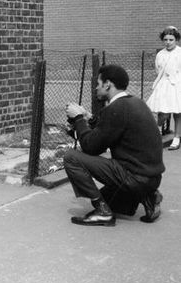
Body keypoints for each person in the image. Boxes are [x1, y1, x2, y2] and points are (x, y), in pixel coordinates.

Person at [64, 65, 165, 226]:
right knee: (110, 199)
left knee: (71, 157)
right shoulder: (136, 102)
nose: (96, 88)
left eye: (98, 83)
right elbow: (111, 130)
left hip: (134, 177)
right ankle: (149, 196)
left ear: (108, 84)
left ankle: (102, 212)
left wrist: (78, 120)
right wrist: (88, 118)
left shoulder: (116, 108)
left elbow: (92, 147)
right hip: (152, 178)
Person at [146, 26, 181, 150]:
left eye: (171, 39)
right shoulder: (160, 54)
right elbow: (158, 70)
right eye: (165, 39)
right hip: (165, 85)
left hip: (178, 84)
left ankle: (176, 138)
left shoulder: (180, 52)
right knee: (163, 113)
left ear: (176, 40)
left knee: (178, 113)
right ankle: (156, 132)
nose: (168, 42)